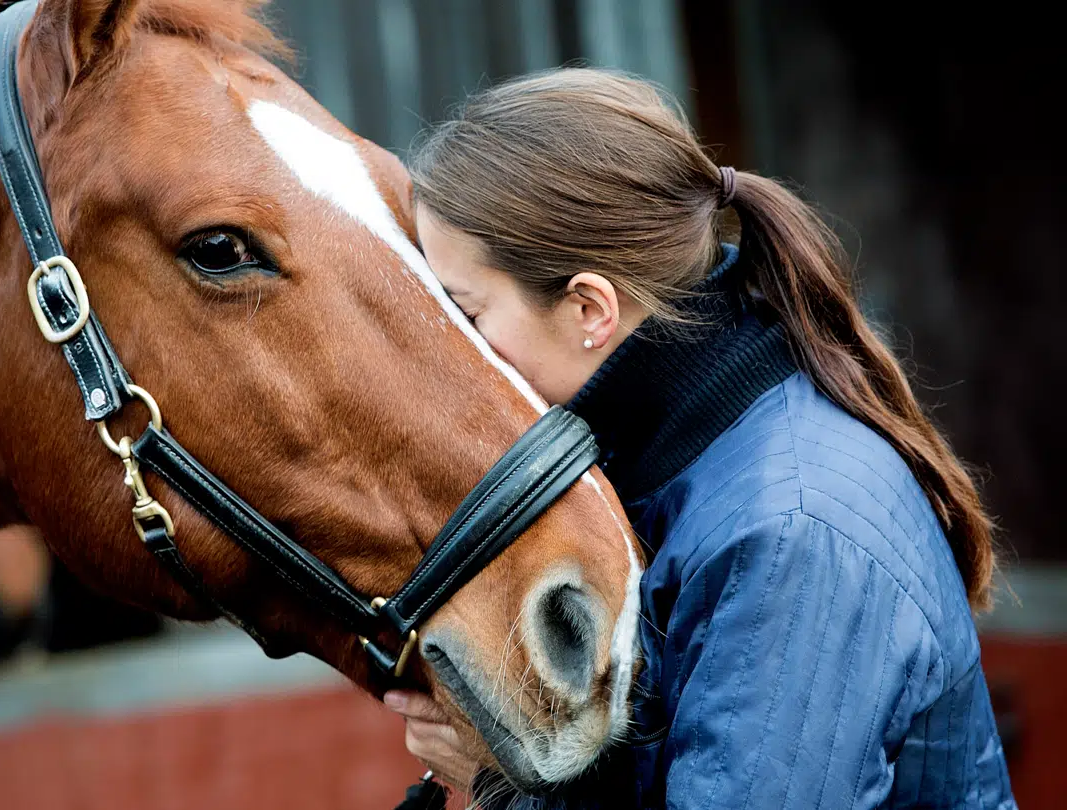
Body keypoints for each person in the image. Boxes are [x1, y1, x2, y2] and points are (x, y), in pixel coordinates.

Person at [383, 68, 1015, 809]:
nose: (463, 355)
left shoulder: (788, 532)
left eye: (469, 312)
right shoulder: (672, 459)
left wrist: (503, 786)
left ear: (590, 308)